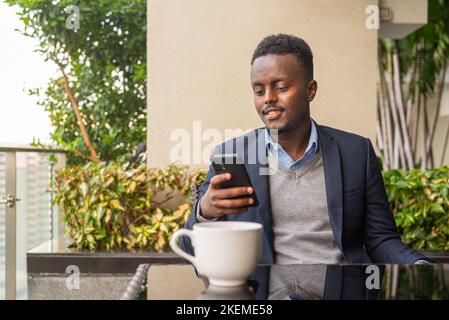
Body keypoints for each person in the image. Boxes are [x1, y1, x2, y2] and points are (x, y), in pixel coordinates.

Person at [179, 34, 432, 283]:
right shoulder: (232, 156)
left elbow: (381, 239)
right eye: (259, 90)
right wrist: (205, 212)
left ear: (310, 90)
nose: (268, 98)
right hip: (261, 296)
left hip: (343, 288)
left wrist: (421, 268)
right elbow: (190, 251)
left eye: (280, 87)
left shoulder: (357, 152)